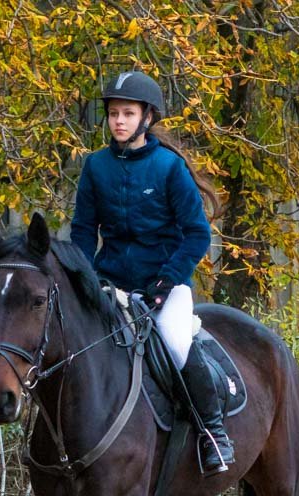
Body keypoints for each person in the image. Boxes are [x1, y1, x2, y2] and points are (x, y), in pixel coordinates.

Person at [70, 70, 234, 474]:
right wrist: (84, 280)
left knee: (176, 343)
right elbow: (82, 232)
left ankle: (213, 433)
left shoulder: (168, 168)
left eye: (127, 113)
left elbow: (197, 234)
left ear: (146, 118)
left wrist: (167, 279)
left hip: (166, 285)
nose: (118, 121)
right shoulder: (96, 168)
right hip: (113, 286)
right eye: (112, 114)